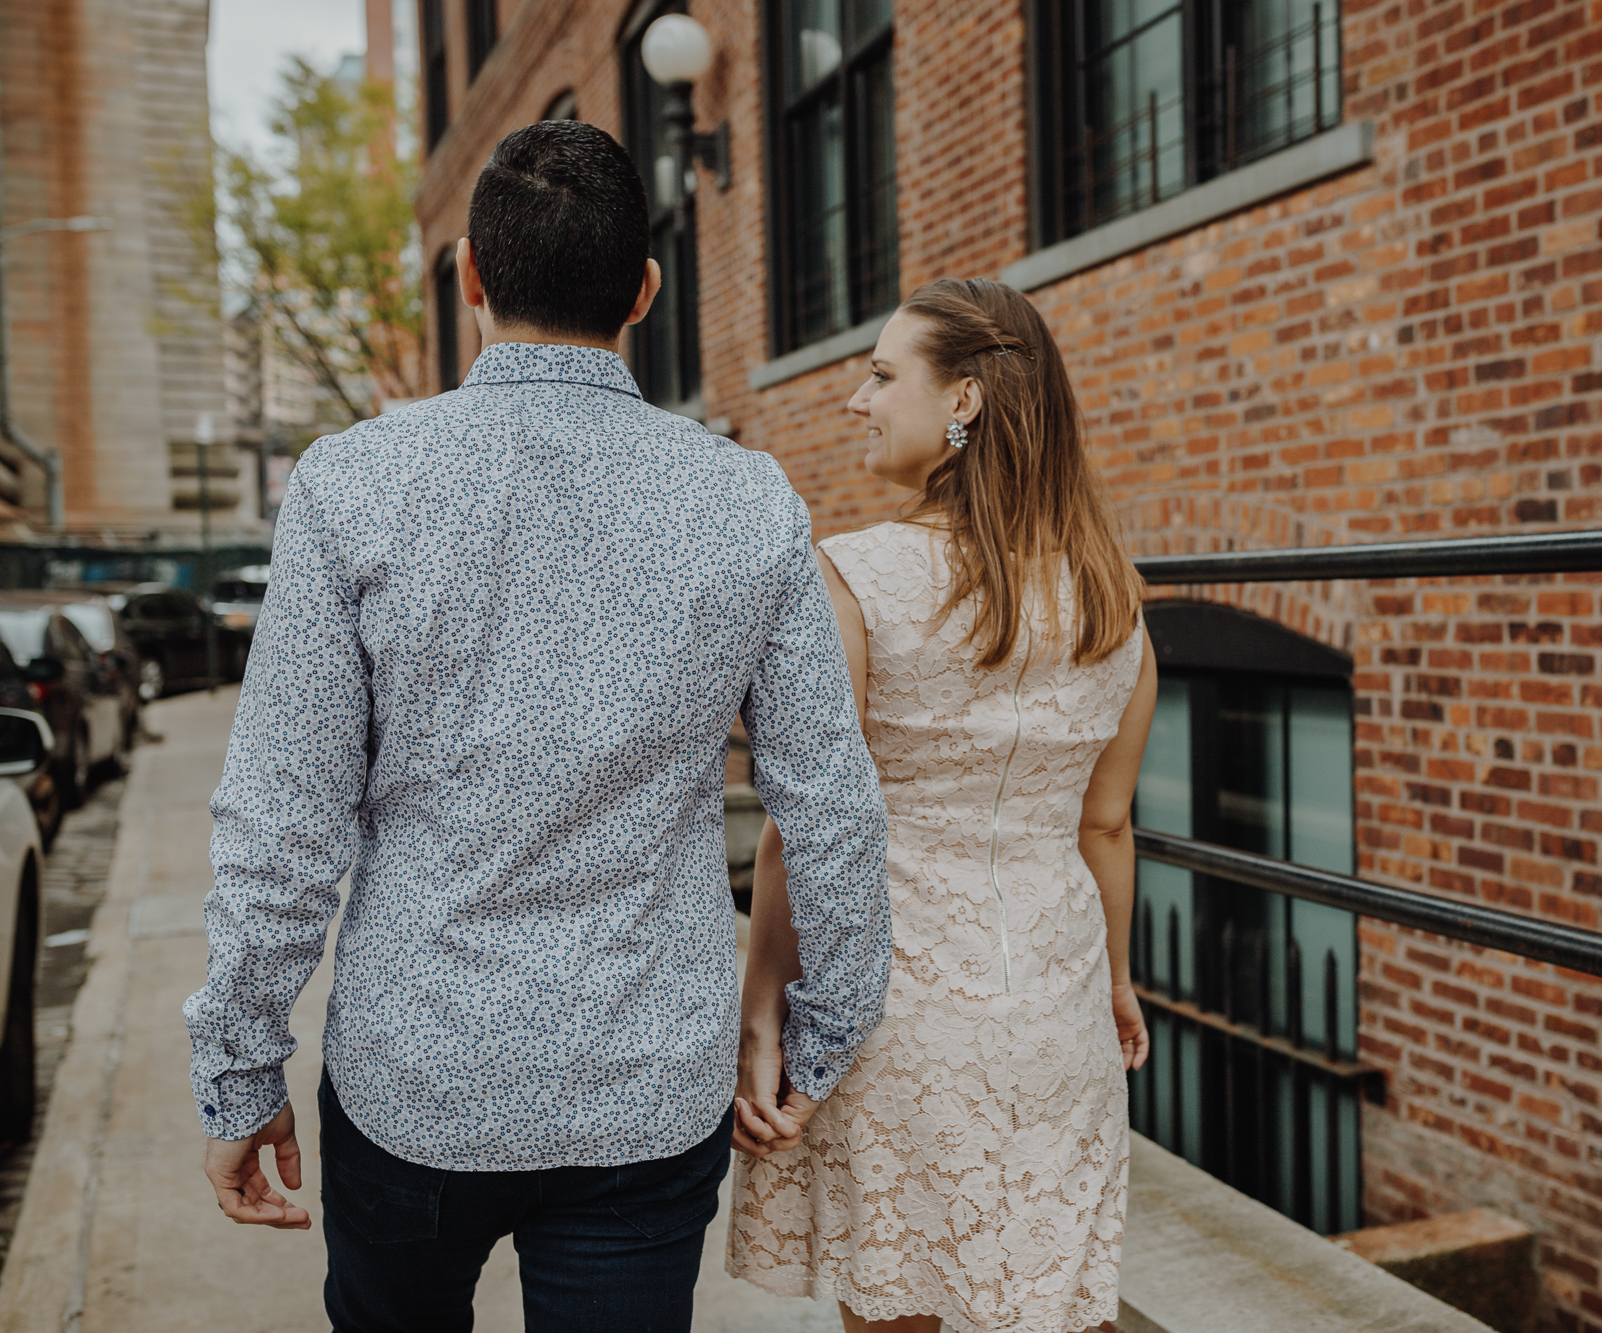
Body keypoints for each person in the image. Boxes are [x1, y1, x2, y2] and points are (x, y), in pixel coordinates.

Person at [183, 120, 891, 1333]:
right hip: (640, 1089)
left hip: (418, 1079)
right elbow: (829, 806)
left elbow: (282, 819)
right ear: (645, 292)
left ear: (468, 276)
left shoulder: (351, 484)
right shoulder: (747, 497)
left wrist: (239, 1072)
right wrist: (819, 1042)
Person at [726, 277, 1159, 1333]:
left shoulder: (855, 579)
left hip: (898, 1012)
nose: (854, 399)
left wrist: (760, 1010)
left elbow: (800, 832)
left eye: (880, 375)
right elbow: (1103, 822)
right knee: (1058, 1296)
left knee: (900, 1307)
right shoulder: (1111, 595)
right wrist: (1117, 978)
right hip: (1057, 1002)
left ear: (962, 399)